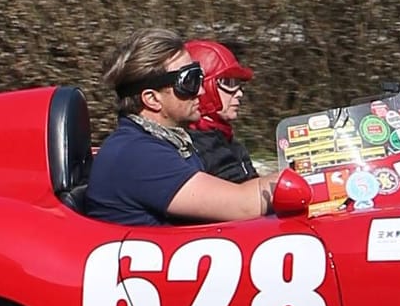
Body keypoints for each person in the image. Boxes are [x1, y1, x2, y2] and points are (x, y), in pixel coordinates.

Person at [82, 28, 274, 226]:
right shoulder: (137, 154)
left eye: (199, 77)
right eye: (189, 81)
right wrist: (302, 184)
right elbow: (243, 204)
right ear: (152, 99)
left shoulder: (166, 142)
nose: (200, 91)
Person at [184, 39, 260, 183]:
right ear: (201, 86)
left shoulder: (229, 141)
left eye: (238, 84)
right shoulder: (192, 148)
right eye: (229, 83)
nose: (239, 94)